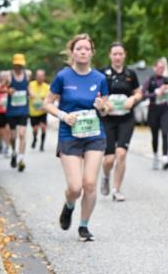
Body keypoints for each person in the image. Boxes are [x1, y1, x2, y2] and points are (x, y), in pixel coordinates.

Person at [42, 34, 111, 242]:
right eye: (79, 48)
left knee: (89, 183)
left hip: (94, 135)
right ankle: (69, 205)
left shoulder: (99, 78)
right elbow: (47, 103)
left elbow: (106, 108)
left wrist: (102, 107)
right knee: (75, 187)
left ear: (92, 53)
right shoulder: (63, 76)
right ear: (72, 53)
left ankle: (84, 226)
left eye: (87, 49)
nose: (83, 52)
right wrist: (63, 115)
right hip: (69, 135)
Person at [100, 42, 142, 200]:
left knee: (121, 154)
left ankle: (116, 190)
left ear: (124, 55)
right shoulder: (102, 74)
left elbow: (139, 93)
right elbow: (96, 95)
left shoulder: (131, 74)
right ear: (110, 55)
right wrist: (104, 104)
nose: (117, 57)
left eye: (120, 54)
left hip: (126, 119)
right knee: (109, 159)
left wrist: (133, 99)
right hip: (108, 120)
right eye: (114, 54)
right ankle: (105, 176)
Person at [143, 59, 168, 170]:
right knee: (155, 135)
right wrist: (155, 93)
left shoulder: (166, 80)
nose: (161, 70)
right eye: (159, 67)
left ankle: (165, 158)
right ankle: (155, 156)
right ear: (154, 68)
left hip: (164, 109)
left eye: (163, 68)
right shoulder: (150, 80)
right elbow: (143, 94)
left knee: (165, 133)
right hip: (153, 109)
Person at [7, 54, 31, 171]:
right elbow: (1, 88)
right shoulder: (8, 76)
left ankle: (21, 159)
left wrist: (34, 97)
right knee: (12, 136)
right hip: (12, 111)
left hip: (23, 109)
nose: (19, 67)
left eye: (21, 65)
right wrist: (8, 90)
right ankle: (14, 152)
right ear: (14, 64)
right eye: (17, 64)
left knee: (22, 134)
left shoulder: (27, 74)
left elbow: (28, 89)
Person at [29, 69, 50, 152]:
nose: (40, 77)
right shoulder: (31, 84)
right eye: (38, 76)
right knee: (35, 128)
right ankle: (35, 139)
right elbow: (30, 93)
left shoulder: (47, 87)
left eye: (41, 76)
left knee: (44, 127)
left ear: (44, 77)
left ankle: (42, 145)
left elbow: (48, 98)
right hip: (33, 112)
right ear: (36, 76)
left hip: (43, 111)